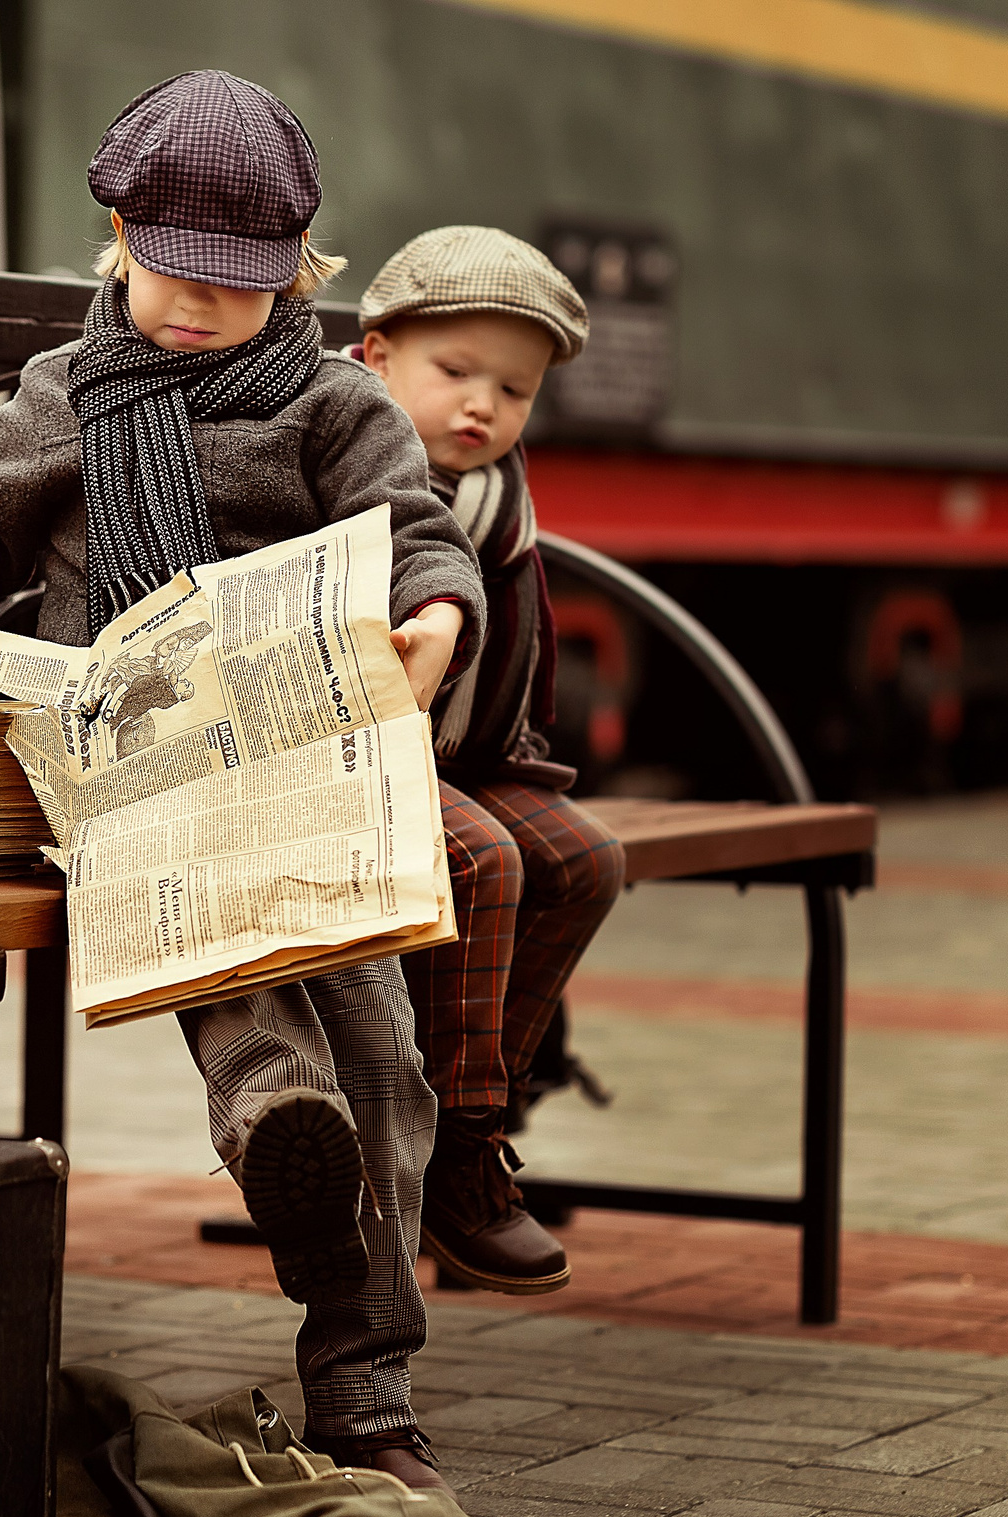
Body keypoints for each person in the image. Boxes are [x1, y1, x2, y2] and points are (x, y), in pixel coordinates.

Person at [0, 72, 484, 1489]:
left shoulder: (334, 403)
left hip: (309, 758)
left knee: (383, 1048)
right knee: (237, 966)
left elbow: (415, 529)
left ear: (299, 276)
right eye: (170, 270)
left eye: (238, 283)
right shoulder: (65, 395)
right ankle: (279, 1131)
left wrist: (435, 621)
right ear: (118, 237)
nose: (196, 304)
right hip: (139, 770)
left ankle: (364, 1374)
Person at [354, 228, 627, 1296]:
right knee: (481, 862)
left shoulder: (498, 497)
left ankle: (474, 1116)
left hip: (467, 753)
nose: (482, 406)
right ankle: (453, 1140)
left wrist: (518, 759)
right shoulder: (339, 456)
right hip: (353, 756)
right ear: (376, 357)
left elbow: (530, 650)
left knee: (583, 857)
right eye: (453, 372)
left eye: (512, 390)